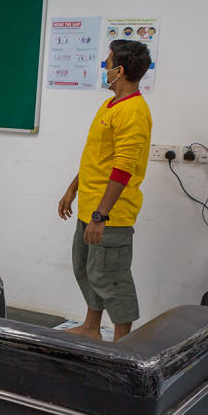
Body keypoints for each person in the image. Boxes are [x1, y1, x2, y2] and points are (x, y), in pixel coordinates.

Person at [57, 40, 153, 341]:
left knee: (112, 278)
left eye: (107, 62)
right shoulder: (110, 105)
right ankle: (91, 327)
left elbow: (122, 170)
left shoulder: (134, 112)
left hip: (110, 214)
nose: (104, 67)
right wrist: (72, 190)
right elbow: (95, 159)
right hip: (90, 207)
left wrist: (101, 215)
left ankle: (123, 343)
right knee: (86, 270)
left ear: (119, 70)